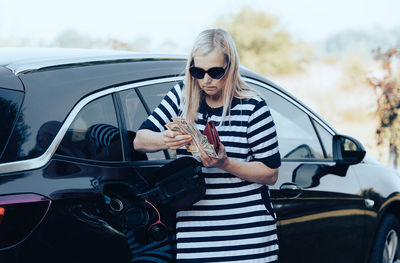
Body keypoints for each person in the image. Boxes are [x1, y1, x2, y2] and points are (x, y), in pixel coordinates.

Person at [134, 28, 281, 262]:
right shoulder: (182, 96)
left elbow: (271, 173)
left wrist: (226, 164)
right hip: (195, 234)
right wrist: (165, 139)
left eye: (214, 72)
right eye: (197, 72)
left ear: (230, 67)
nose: (206, 80)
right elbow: (140, 140)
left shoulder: (253, 106)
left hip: (247, 234)